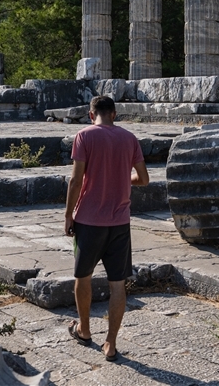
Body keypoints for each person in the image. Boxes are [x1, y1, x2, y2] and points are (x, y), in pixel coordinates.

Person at [63, 95, 149, 361]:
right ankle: (111, 343)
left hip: (88, 221)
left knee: (83, 277)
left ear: (91, 115)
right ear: (114, 114)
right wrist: (121, 178)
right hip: (120, 222)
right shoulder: (129, 139)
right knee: (118, 284)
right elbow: (143, 179)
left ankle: (84, 329)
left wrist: (68, 215)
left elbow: (76, 180)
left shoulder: (84, 136)